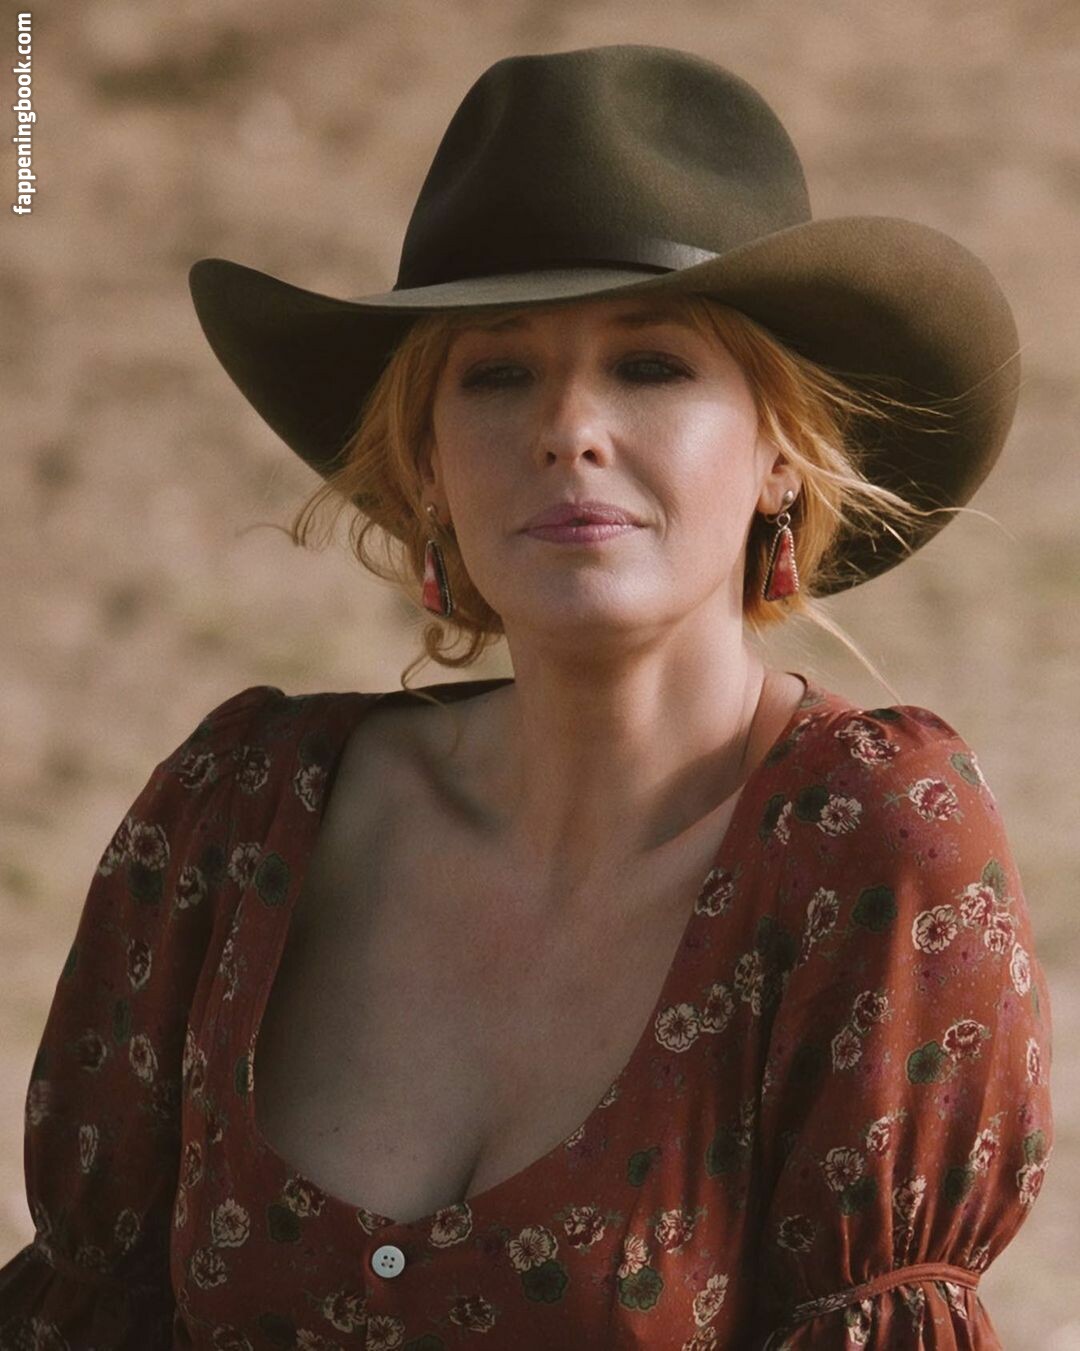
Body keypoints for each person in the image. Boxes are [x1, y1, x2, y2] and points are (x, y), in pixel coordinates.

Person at [0, 43, 1053, 1351]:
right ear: (426, 463)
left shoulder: (877, 848)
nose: (569, 427)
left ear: (780, 452)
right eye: (497, 373)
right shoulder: (235, 812)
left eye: (651, 365)